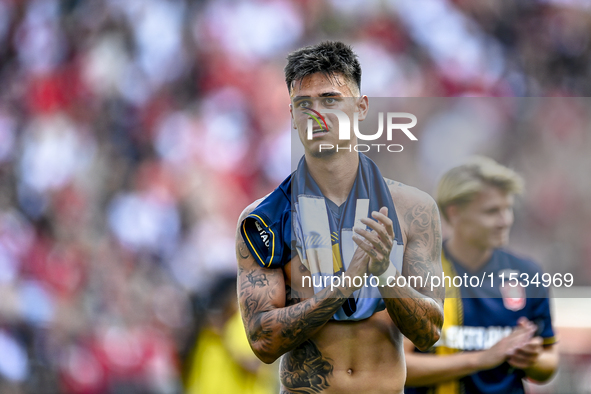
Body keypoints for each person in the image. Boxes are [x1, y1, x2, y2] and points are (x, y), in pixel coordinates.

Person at [235, 41, 445, 394]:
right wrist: (344, 286)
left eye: (331, 100)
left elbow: (429, 333)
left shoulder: (413, 209)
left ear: (361, 108)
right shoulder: (266, 218)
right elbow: (262, 342)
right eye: (304, 104)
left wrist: (384, 273)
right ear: (292, 115)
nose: (316, 114)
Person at [404, 156, 559, 394]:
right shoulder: (416, 271)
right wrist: (482, 359)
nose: (505, 221)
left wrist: (531, 357)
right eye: (491, 211)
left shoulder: (528, 273)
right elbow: (400, 366)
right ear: (454, 213)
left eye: (508, 209)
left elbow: (548, 363)